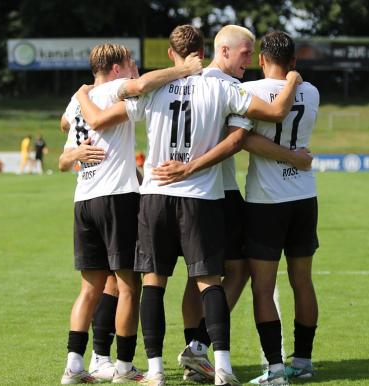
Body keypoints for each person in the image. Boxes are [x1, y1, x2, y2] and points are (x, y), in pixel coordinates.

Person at [76, 24, 301, 386]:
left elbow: (103, 117)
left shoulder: (154, 85)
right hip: (202, 197)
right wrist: (292, 79)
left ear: (171, 54)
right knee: (208, 281)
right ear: (207, 50)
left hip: (155, 194)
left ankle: (155, 371)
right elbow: (274, 113)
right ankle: (221, 366)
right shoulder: (223, 87)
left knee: (153, 283)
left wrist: (83, 95)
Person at [58, 42, 203, 385]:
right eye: (130, 61)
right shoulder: (111, 89)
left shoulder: (81, 98)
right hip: (115, 200)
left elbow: (65, 127)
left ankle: (74, 366)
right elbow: (138, 87)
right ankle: (123, 367)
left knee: (90, 288)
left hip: (84, 200)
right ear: (116, 67)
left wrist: (79, 136)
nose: (135, 66)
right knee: (128, 285)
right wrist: (183, 70)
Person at [176, 24, 314, 383]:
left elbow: (242, 136)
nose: (249, 61)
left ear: (267, 58)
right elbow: (243, 136)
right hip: (232, 191)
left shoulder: (199, 85)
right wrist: (293, 156)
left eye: (254, 55)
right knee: (242, 274)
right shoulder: (244, 88)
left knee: (202, 277)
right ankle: (205, 349)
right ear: (223, 51)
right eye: (243, 54)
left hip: (208, 192)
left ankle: (199, 348)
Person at [239, 31, 320, 385]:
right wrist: (295, 159)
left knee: (263, 287)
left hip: (266, 201)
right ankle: (302, 361)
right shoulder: (312, 91)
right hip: (304, 196)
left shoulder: (250, 91)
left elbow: (246, 140)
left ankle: (274, 369)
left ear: (260, 60)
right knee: (302, 281)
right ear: (294, 62)